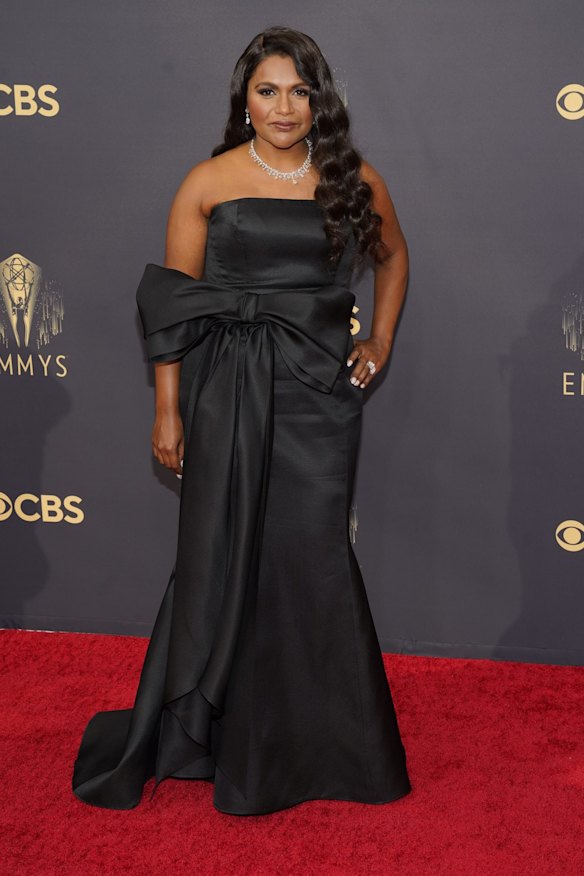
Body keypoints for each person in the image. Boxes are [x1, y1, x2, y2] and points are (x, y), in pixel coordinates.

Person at [72, 25, 412, 816]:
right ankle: (211, 727)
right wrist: (168, 408)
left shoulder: (352, 178)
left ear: (321, 100)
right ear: (244, 101)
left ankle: (328, 742)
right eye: (268, 90)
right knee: (226, 553)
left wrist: (380, 337)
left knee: (312, 557)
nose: (285, 106)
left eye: (300, 90)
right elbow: (172, 307)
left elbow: (394, 257)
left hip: (318, 395)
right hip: (224, 389)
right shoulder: (207, 182)